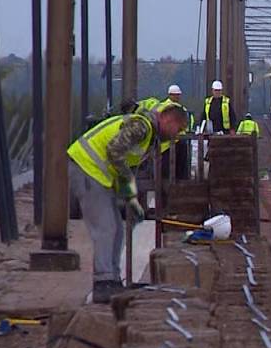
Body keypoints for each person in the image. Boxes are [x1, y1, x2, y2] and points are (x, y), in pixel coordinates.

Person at [67, 103, 190, 303]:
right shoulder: (141, 127)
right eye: (179, 128)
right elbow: (114, 151)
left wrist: (130, 200)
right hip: (86, 168)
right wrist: (127, 184)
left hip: (97, 174)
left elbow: (124, 162)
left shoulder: (148, 134)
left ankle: (112, 279)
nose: (177, 135)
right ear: (168, 119)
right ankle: (102, 283)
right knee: (106, 228)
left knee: (117, 228)